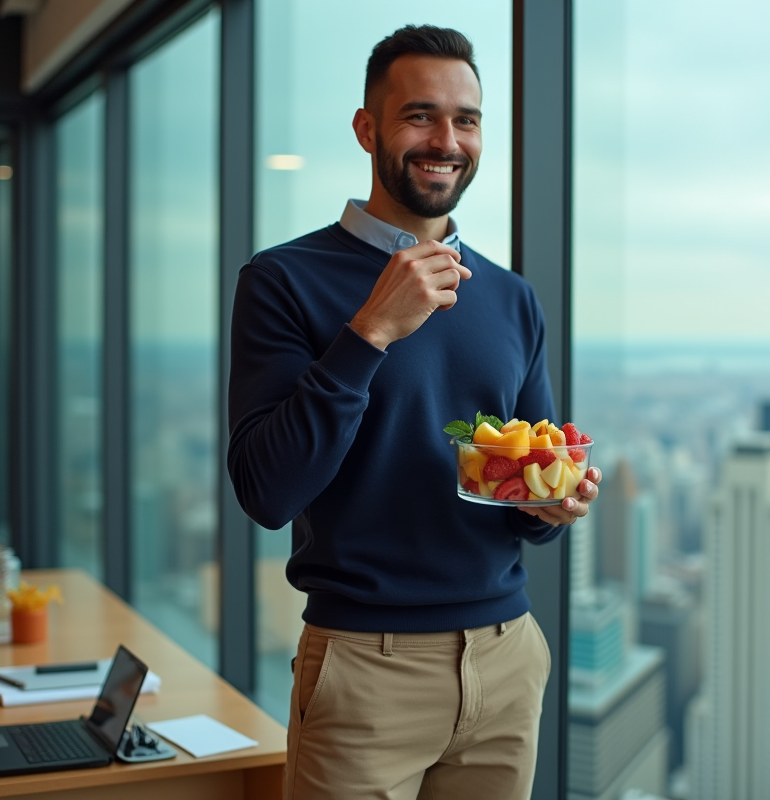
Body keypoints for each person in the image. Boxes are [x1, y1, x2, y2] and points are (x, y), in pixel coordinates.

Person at [226, 24, 600, 800]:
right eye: (420, 115)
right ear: (368, 129)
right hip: (366, 667)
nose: (447, 140)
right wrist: (371, 331)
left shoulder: (511, 296)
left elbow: (521, 496)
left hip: (506, 659)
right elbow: (266, 492)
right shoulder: (282, 280)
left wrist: (552, 503)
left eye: (466, 120)